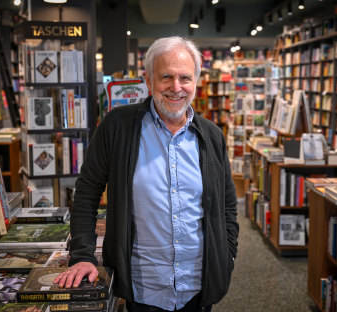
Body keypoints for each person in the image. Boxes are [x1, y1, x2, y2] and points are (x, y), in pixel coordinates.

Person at [54, 36, 239, 312]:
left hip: (199, 291)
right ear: (149, 80)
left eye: (185, 78)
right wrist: (82, 255)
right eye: (166, 77)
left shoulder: (211, 136)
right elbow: (87, 195)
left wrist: (226, 258)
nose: (176, 88)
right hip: (143, 291)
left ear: (196, 83)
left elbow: (227, 207)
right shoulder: (117, 127)